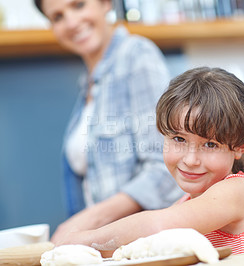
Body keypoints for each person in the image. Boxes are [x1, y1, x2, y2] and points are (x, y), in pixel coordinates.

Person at [55, 67, 244, 254]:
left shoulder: (237, 191)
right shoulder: (182, 205)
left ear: (240, 146)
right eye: (179, 139)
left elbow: (157, 226)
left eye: (210, 144)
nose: (190, 160)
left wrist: (83, 240)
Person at [33, 0, 183, 243]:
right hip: (109, 248)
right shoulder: (88, 85)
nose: (71, 22)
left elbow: (166, 165)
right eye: (58, 17)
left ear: (105, 3)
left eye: (79, 5)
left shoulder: (136, 56)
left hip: (144, 245)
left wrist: (93, 220)